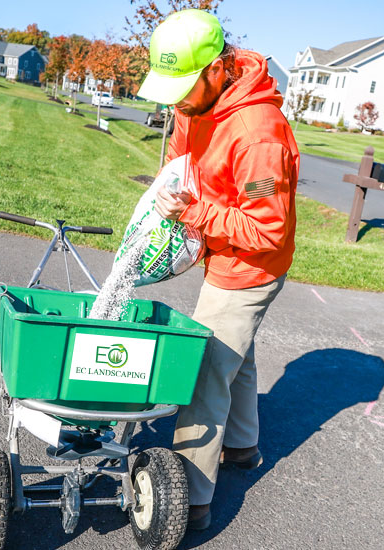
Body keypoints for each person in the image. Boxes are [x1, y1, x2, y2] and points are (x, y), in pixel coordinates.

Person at [136, 9, 299, 530]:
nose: (176, 101)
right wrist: (170, 189)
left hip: (252, 264)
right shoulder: (195, 102)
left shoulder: (260, 137)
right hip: (221, 247)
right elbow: (182, 157)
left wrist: (193, 212)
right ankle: (243, 447)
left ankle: (190, 500)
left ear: (218, 68)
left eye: (183, 87)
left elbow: (265, 229)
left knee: (208, 367)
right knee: (236, 350)